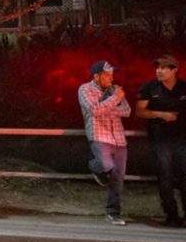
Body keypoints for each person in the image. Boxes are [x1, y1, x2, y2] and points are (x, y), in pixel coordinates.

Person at [77, 60, 132, 226]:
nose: (111, 77)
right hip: (100, 135)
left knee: (118, 178)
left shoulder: (114, 89)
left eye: (112, 74)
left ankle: (113, 213)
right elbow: (94, 111)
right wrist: (115, 99)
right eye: (107, 75)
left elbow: (127, 111)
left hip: (119, 138)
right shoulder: (85, 89)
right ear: (96, 76)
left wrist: (107, 106)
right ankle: (94, 167)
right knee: (104, 164)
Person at [136, 54, 186, 227]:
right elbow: (140, 111)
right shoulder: (149, 88)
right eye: (158, 67)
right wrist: (160, 114)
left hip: (182, 140)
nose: (159, 71)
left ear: (174, 70)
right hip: (160, 140)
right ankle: (171, 215)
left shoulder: (183, 88)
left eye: (164, 67)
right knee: (165, 178)